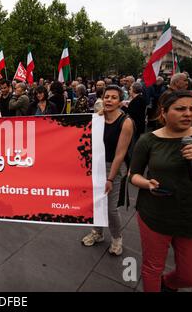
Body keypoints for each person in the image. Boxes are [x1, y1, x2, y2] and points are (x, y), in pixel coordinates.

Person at [129, 90, 192, 292]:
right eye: (180, 109)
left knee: (191, 276)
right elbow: (133, 174)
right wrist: (147, 184)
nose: (188, 114)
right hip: (155, 215)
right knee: (152, 267)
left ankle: (168, 283)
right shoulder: (148, 140)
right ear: (163, 112)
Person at [82, 85, 134, 256]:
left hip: (114, 167)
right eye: (107, 97)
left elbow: (120, 154)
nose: (109, 100)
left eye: (113, 97)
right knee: (96, 202)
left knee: (111, 208)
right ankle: (97, 233)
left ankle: (117, 238)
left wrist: (110, 179)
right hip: (96, 165)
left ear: (120, 101)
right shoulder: (98, 118)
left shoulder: (125, 122)